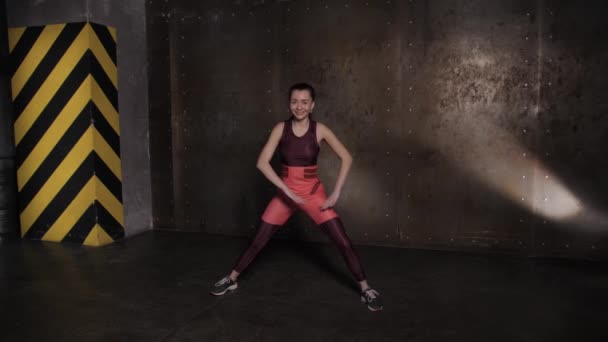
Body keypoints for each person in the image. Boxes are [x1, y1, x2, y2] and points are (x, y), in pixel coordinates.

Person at [210, 83, 383, 311]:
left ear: (312, 105)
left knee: (343, 241)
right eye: (294, 101)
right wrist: (287, 190)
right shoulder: (280, 129)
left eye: (304, 102)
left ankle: (366, 289)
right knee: (258, 240)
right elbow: (262, 163)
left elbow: (347, 158)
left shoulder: (320, 129)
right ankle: (231, 279)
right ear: (289, 103)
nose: (299, 106)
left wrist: (336, 191)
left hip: (313, 195)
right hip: (286, 194)